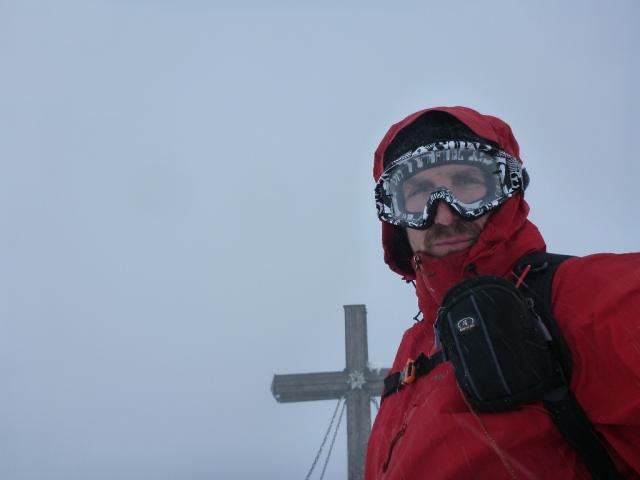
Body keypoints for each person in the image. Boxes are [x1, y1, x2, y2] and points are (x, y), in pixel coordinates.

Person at [364, 106, 640, 479]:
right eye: (419, 192)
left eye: (466, 182)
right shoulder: (413, 349)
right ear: (395, 217)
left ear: (505, 191)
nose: (443, 215)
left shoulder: (588, 298)